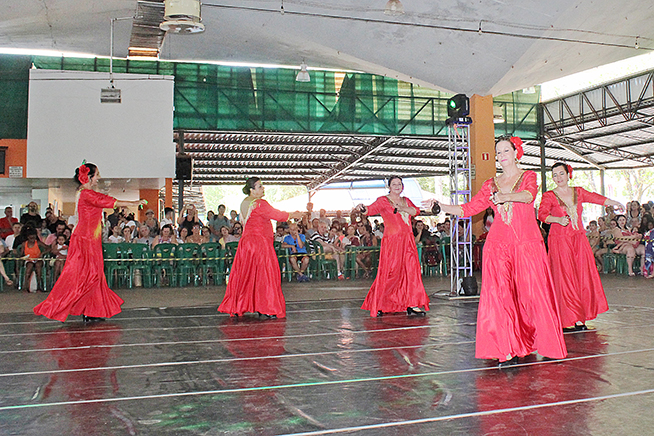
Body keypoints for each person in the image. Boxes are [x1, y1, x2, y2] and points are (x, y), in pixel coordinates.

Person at [427, 136, 567, 366]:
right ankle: (508, 348)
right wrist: (441, 206)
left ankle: (545, 343)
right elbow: (469, 208)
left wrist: (504, 197)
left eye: (505, 151)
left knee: (535, 294)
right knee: (502, 297)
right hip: (498, 245)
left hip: (528, 243)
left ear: (515, 152)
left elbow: (528, 196)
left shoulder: (528, 176)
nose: (501, 156)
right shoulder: (489, 184)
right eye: (498, 153)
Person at [34, 162, 146, 323]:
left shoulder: (85, 192)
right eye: (97, 174)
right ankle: (66, 306)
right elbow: (105, 200)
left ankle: (90, 309)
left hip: (90, 239)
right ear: (89, 176)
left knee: (94, 274)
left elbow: (101, 199)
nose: (99, 177)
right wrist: (133, 203)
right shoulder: (86, 193)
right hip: (84, 239)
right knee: (86, 274)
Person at [538, 162, 624, 331]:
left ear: (568, 174)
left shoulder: (578, 191)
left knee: (582, 276)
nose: (558, 178)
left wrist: (615, 202)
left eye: (561, 173)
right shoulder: (549, 196)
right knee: (565, 278)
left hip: (579, 240)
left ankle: (579, 318)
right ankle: (566, 318)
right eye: (554, 175)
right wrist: (557, 220)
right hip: (560, 241)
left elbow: (596, 198)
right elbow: (542, 214)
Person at [218, 177, 302, 318]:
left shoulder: (244, 203)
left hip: (246, 244)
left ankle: (242, 305)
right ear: (252, 190)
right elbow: (278, 215)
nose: (263, 188)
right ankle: (267, 307)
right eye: (260, 186)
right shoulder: (259, 203)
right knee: (265, 274)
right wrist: (294, 214)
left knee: (247, 274)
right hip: (259, 243)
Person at [356, 176, 429, 317]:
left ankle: (412, 304)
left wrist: (402, 208)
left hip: (407, 241)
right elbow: (370, 210)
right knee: (391, 272)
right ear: (389, 186)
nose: (397, 186)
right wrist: (362, 208)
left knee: (412, 271)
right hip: (392, 242)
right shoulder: (383, 200)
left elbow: (416, 211)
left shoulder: (406, 200)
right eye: (394, 184)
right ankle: (380, 303)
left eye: (399, 184)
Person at [16, 226, 50, 293]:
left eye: (33, 237)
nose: (32, 239)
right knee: (29, 266)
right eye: (30, 237)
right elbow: (21, 254)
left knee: (38, 266)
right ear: (27, 237)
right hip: (29, 260)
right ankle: (25, 287)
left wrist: (42, 253)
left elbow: (49, 248)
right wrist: (22, 257)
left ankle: (39, 286)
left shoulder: (38, 243)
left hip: (38, 259)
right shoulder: (24, 244)